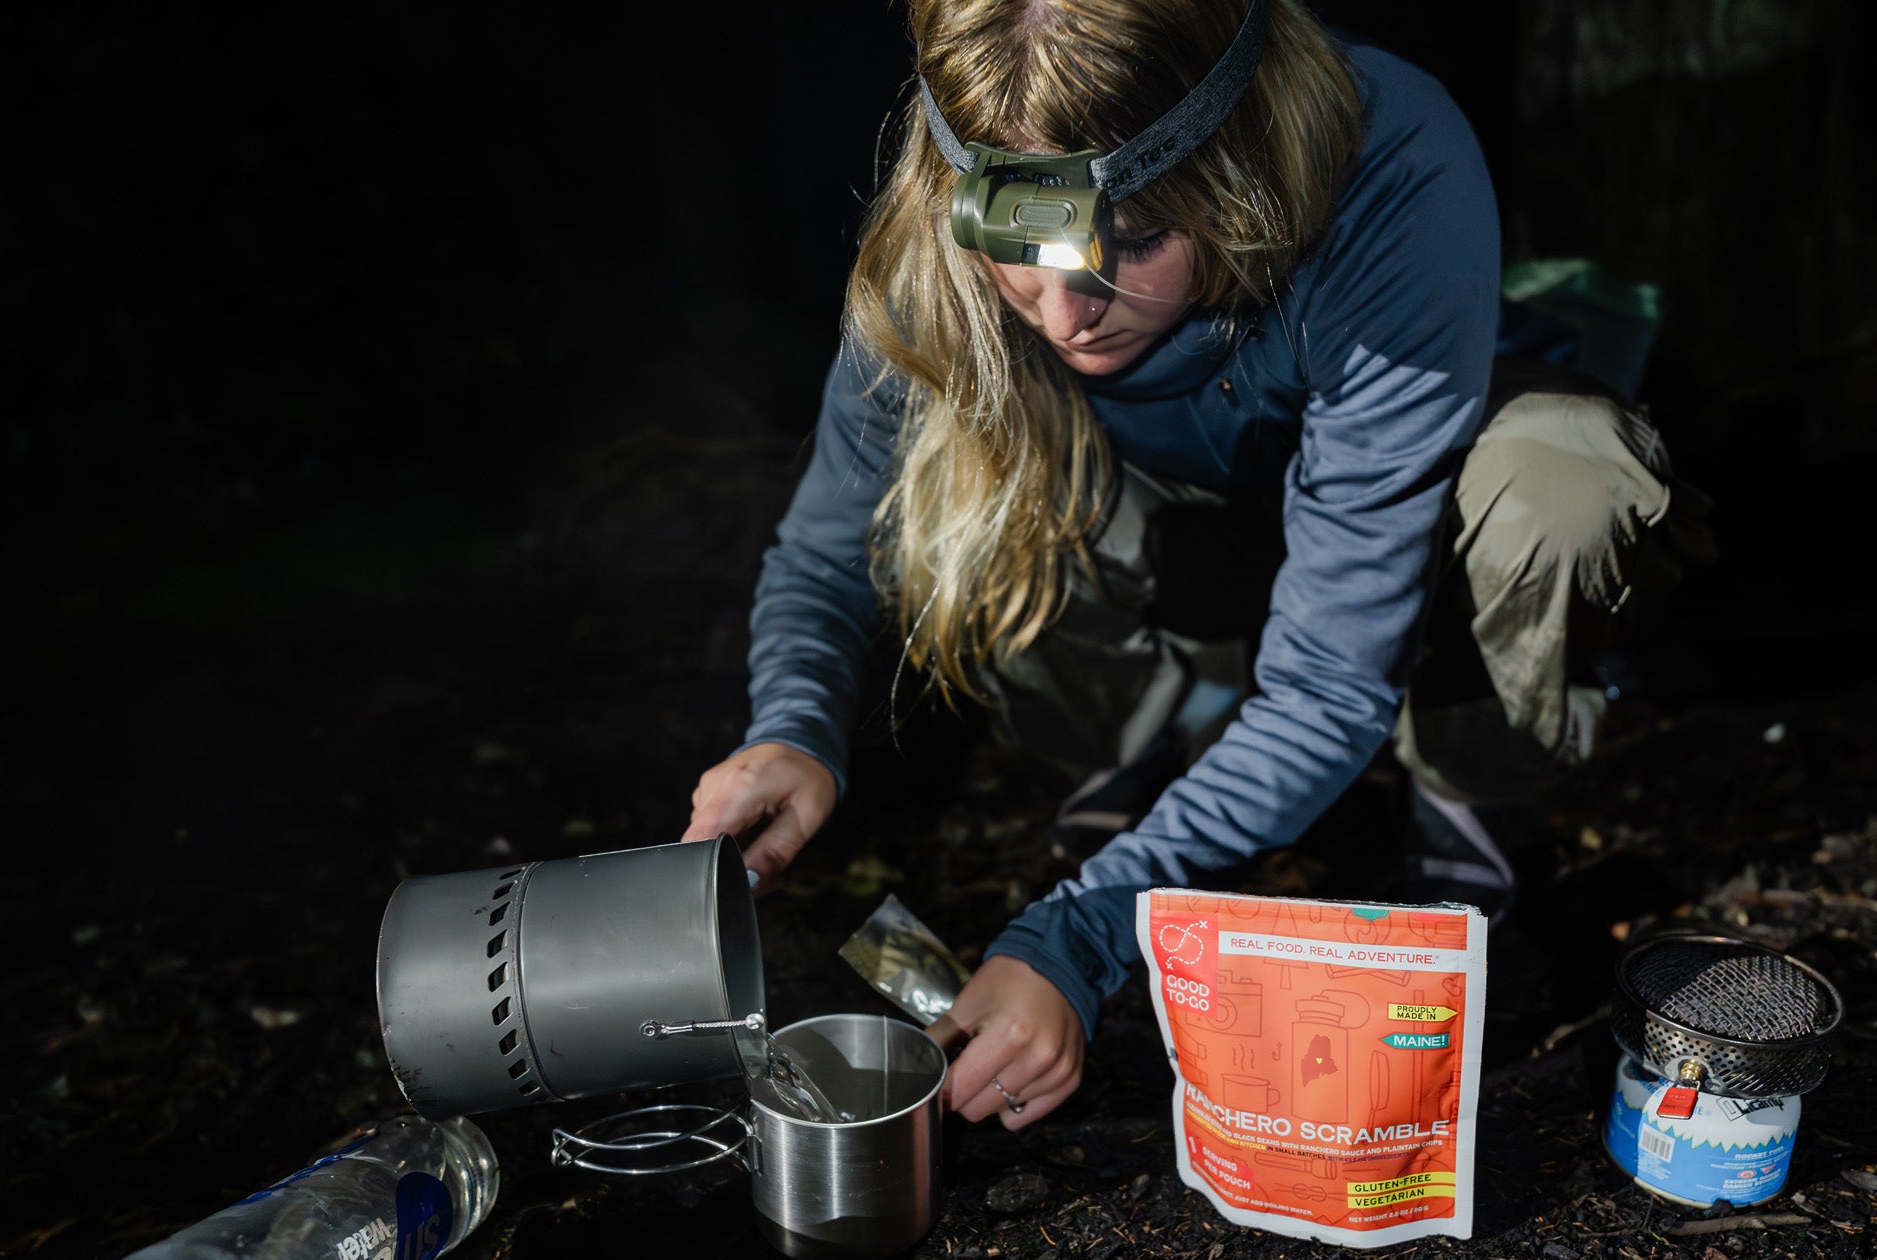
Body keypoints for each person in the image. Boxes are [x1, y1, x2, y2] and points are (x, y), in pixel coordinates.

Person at [685, 0, 1711, 1131]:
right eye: (1020, 245)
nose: (1069, 313)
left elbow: (1327, 686)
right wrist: (792, 728)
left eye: (1132, 243)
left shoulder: (1392, 162)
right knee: (969, 468)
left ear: (1232, 177)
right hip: (1170, 537)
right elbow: (829, 550)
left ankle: (1462, 782)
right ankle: (1150, 738)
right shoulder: (945, 224)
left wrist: (1079, 936)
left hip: (1379, 520)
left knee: (1565, 477)